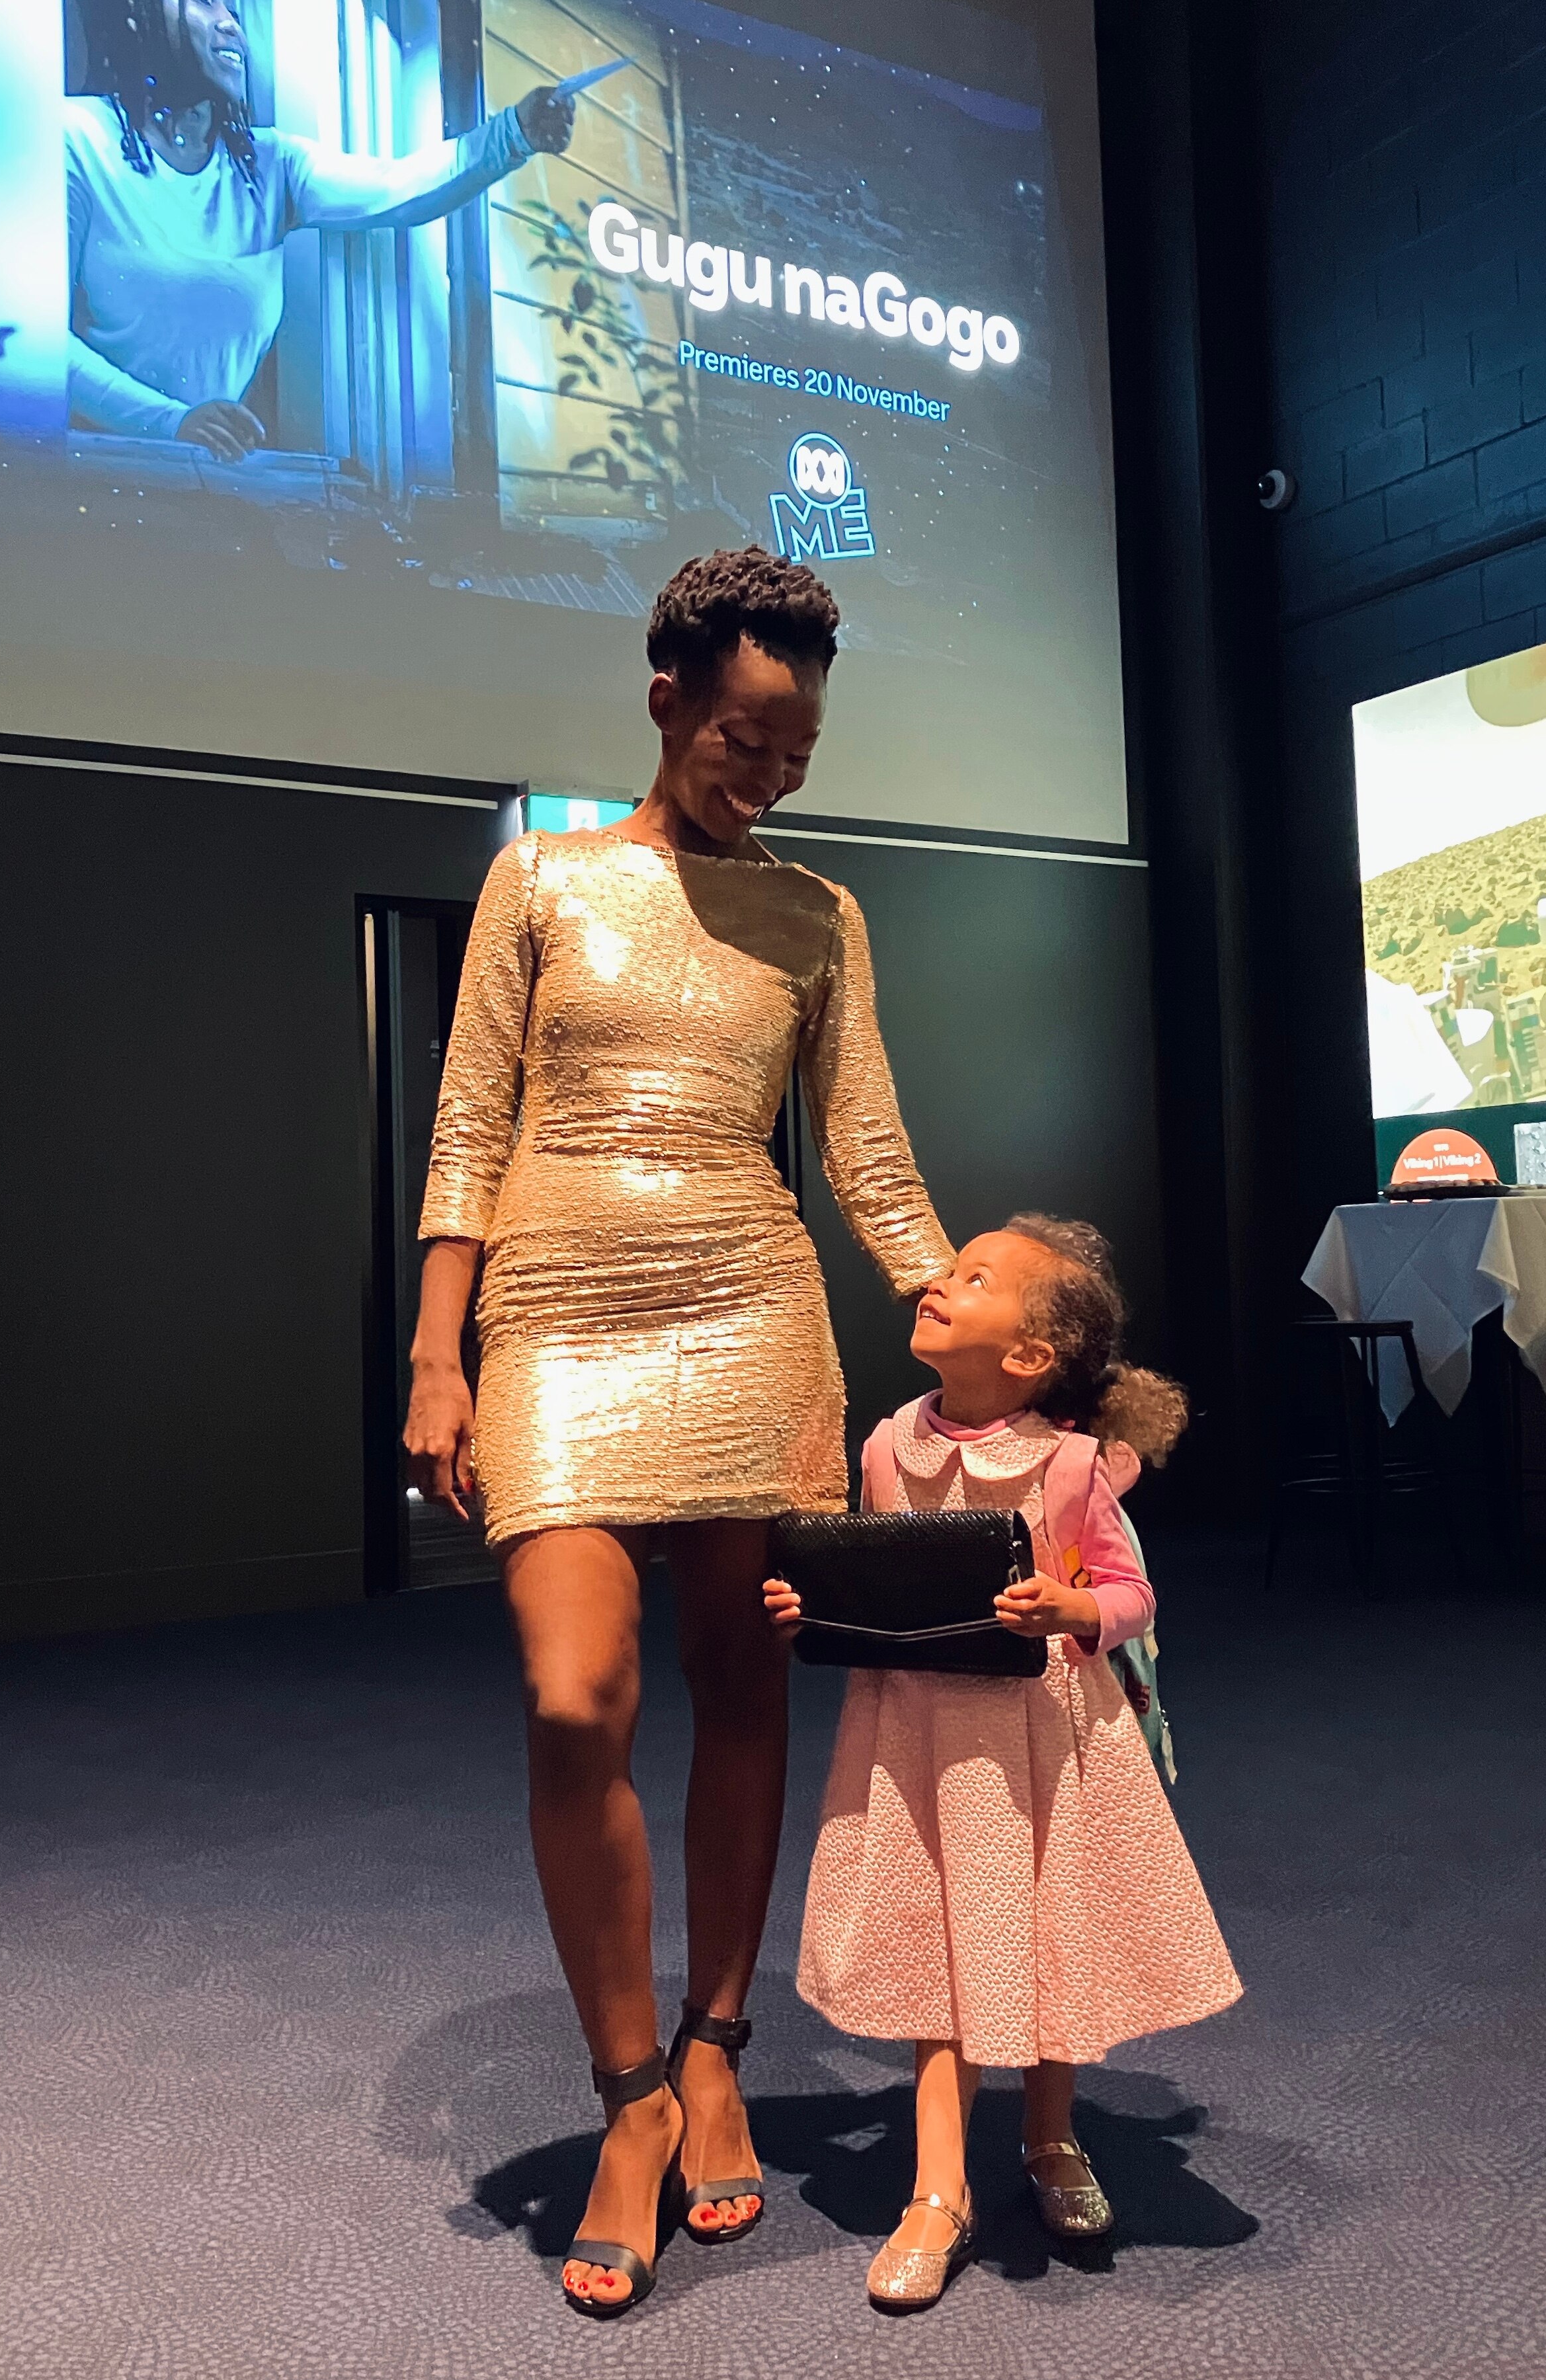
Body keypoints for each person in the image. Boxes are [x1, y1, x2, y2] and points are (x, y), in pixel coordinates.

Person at [405, 547, 951, 2317]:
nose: (768, 766)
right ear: (663, 701)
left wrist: (958, 1303)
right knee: (574, 1691)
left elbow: (859, 1149)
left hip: (748, 1310)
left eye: (794, 743)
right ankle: (623, 2094)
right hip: (555, 1314)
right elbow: (469, 1123)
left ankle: (715, 2044)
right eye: (740, 730)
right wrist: (437, 1349)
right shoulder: (541, 879)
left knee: (744, 1671)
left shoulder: (818, 914)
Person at [766, 1215, 1242, 2311]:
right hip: (916, 1736)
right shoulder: (890, 1443)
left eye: (974, 1276)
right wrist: (814, 1605)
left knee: (1043, 1931)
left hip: (1037, 1739)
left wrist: (1078, 1605)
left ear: (1027, 1354)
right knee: (936, 1944)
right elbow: (869, 1565)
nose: (938, 1279)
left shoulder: (1071, 1462)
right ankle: (938, 2187)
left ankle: (1048, 2132)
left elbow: (1131, 1591)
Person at [66, 0, 575, 457]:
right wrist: (169, 423)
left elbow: (398, 187)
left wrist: (514, 133)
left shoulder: (266, 165)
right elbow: (38, 342)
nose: (229, 24)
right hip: (88, 486)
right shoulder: (76, 139)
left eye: (233, 8)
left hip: (209, 485)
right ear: (131, 12)